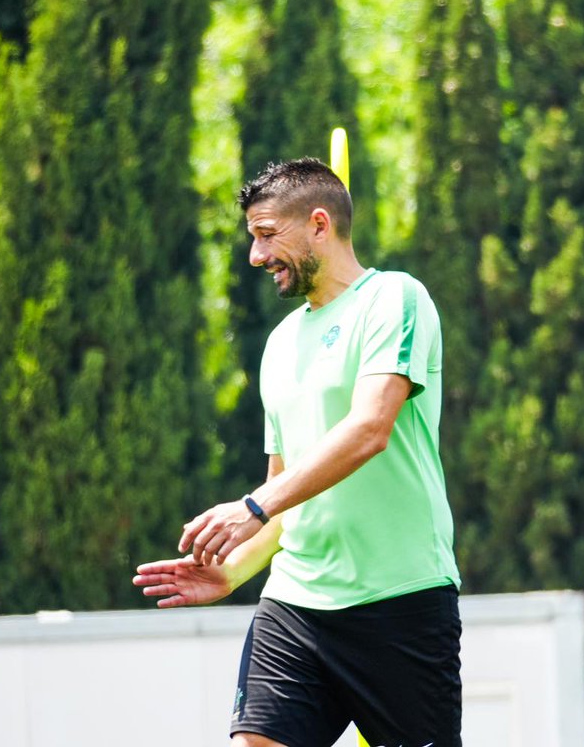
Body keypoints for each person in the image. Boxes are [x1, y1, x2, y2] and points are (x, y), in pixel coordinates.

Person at [133, 158, 462, 747]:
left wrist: (252, 506)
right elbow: (286, 499)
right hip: (296, 604)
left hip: (401, 600)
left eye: (266, 235)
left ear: (318, 224)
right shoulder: (281, 344)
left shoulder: (395, 299)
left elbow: (370, 428)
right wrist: (231, 571)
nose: (256, 257)